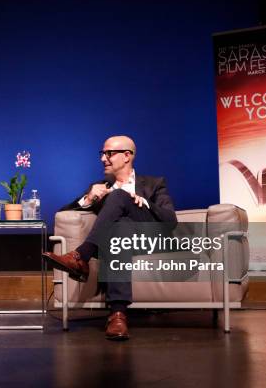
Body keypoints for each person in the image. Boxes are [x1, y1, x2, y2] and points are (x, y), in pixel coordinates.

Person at [43, 135, 177, 341]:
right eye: (102, 154)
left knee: (118, 196)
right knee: (120, 229)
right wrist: (89, 198)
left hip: (148, 239)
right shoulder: (100, 187)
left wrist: (144, 203)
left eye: (109, 153)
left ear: (126, 156)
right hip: (116, 242)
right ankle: (118, 314)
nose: (103, 159)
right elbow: (63, 212)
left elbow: (170, 220)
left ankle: (81, 256)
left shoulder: (154, 183)